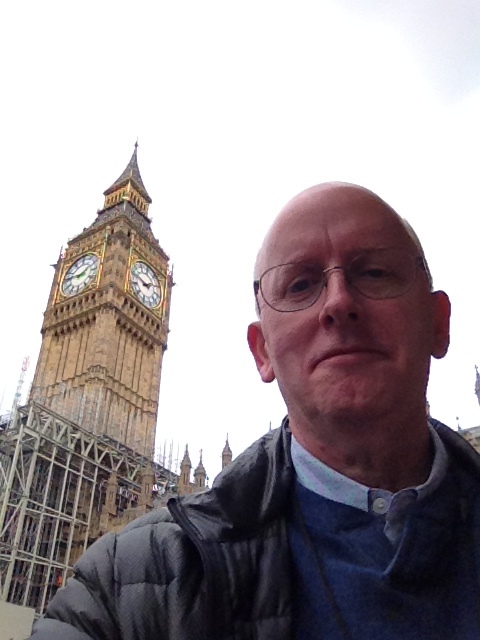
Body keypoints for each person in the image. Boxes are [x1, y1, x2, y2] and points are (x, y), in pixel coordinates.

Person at [30, 183, 480, 640]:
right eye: (301, 284)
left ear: (439, 322)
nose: (339, 303)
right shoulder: (125, 581)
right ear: (261, 350)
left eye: (375, 273)